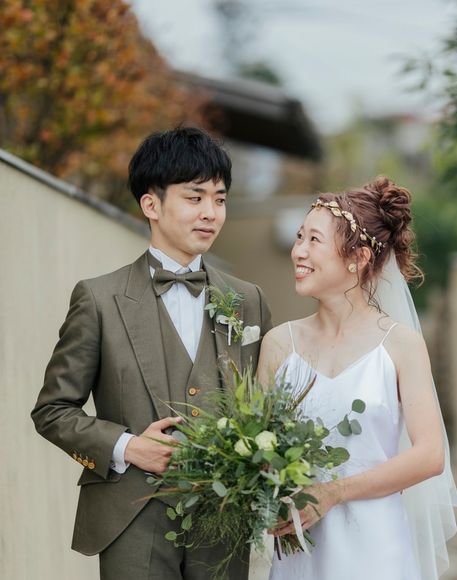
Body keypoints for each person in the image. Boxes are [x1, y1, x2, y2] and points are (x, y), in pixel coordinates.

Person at [31, 127, 273, 580]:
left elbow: (267, 406)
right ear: (151, 205)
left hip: (225, 522)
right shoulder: (99, 299)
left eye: (220, 199)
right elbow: (52, 411)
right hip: (132, 519)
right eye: (195, 197)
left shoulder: (248, 300)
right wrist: (128, 447)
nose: (211, 213)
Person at [258, 176, 457, 580]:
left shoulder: (400, 345)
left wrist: (332, 492)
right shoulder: (279, 344)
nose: (298, 251)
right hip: (301, 549)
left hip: (377, 550)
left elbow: (430, 455)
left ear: (358, 257)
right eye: (299, 237)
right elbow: (257, 447)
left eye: (314, 240)